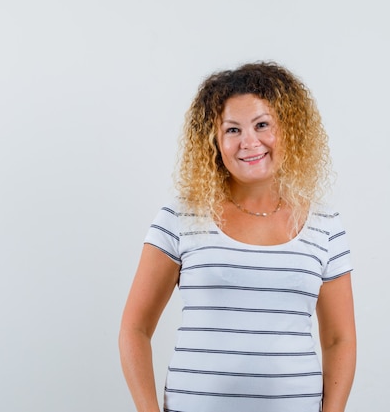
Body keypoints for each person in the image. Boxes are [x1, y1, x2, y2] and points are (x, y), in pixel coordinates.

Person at [119, 61, 356, 412]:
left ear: (289, 129)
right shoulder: (181, 217)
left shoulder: (325, 225)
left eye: (262, 125)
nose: (249, 142)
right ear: (213, 140)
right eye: (232, 130)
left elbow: (339, 340)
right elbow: (135, 329)